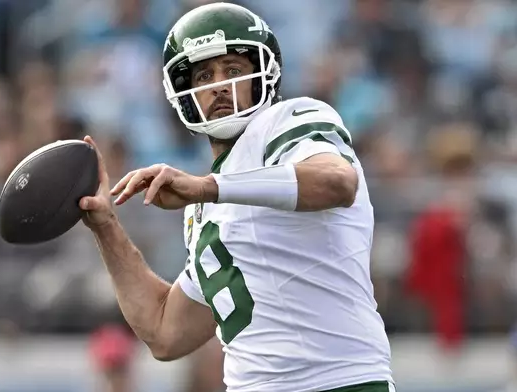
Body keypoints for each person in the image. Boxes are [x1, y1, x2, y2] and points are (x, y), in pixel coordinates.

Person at [79, 2, 394, 391]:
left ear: (264, 76)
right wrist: (106, 226)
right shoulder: (200, 205)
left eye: (233, 70)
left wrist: (210, 188)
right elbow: (165, 333)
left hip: (338, 383)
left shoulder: (292, 119)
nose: (218, 86)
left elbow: (337, 183)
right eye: (204, 75)